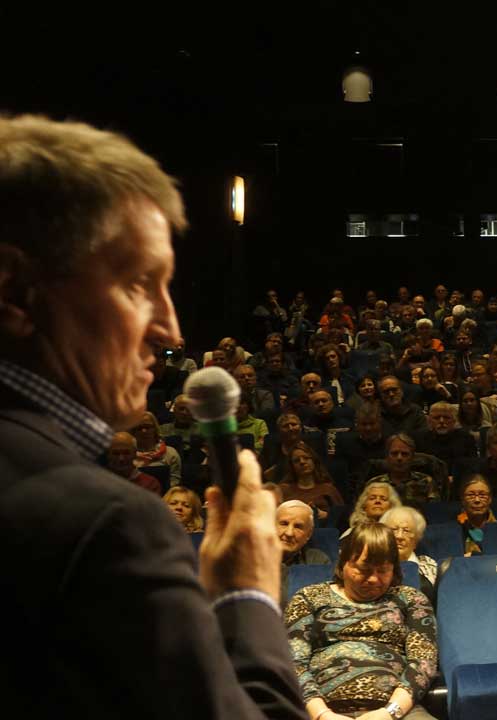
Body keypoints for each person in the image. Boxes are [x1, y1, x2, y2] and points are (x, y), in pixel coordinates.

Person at [0, 114, 304, 715]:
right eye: (140, 284)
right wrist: (248, 597)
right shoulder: (108, 524)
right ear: (13, 293)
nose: (170, 330)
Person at [285, 523, 437, 719]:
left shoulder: (411, 599)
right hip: (318, 709)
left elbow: (424, 661)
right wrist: (322, 714)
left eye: (383, 570)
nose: (373, 579)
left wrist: (388, 712)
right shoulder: (309, 597)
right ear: (344, 563)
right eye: (364, 569)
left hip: (397, 710)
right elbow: (293, 661)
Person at [368, 433, 439, 509]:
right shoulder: (374, 484)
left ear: (412, 458)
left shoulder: (426, 482)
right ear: (387, 457)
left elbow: (435, 513)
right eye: (394, 453)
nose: (399, 458)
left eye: (405, 454)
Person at [380, 505, 438, 597]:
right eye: (393, 530)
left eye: (406, 531)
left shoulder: (429, 565)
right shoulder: (374, 566)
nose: (399, 536)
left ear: (416, 539)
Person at [278, 442, 344, 520]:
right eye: (296, 460)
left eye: (306, 458)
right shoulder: (283, 490)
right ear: (292, 466)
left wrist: (326, 515)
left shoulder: (328, 489)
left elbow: (342, 516)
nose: (302, 462)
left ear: (314, 461)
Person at [457, 475, 497, 556]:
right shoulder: (455, 528)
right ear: (462, 499)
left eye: (482, 495)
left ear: (490, 499)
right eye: (471, 495)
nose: (477, 500)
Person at [132, 410, 183, 487]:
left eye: (147, 427)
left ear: (155, 429)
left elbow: (175, 482)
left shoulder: (170, 453)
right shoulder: (129, 454)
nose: (144, 431)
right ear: (134, 431)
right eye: (139, 428)